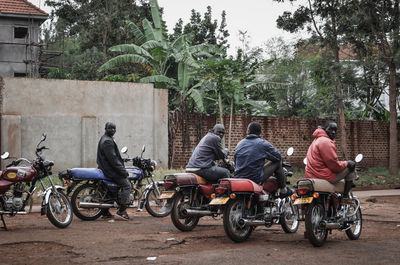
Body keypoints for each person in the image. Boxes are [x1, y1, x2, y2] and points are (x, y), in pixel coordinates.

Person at [234, 121, 292, 197]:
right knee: (277, 162)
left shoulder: (240, 143)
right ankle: (283, 190)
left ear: (248, 131)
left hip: (238, 177)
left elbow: (235, 160)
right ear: (260, 132)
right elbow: (278, 157)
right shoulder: (262, 144)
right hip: (254, 178)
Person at [305, 120, 356, 201]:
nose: (333, 132)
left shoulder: (317, 140)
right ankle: (345, 197)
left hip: (311, 174)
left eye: (335, 130)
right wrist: (347, 163)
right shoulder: (326, 142)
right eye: (330, 129)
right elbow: (335, 166)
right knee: (351, 168)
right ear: (325, 129)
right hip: (322, 175)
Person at [97, 122, 131, 220]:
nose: (112, 130)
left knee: (110, 189)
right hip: (110, 170)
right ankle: (122, 211)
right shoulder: (107, 141)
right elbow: (113, 159)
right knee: (127, 185)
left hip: (105, 167)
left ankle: (105, 211)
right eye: (110, 128)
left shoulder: (105, 138)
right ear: (105, 128)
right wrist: (122, 171)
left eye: (114, 128)